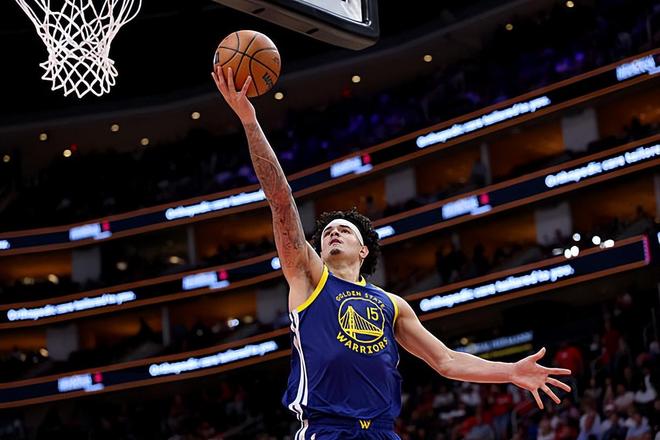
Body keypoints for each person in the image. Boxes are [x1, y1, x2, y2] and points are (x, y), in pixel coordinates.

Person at [211, 67, 572, 439]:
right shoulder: (308, 279)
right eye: (327, 232)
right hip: (328, 430)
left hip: (383, 432)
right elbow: (280, 198)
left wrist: (510, 371)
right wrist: (250, 121)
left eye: (344, 230)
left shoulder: (392, 304)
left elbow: (446, 360)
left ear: (363, 249)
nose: (333, 232)